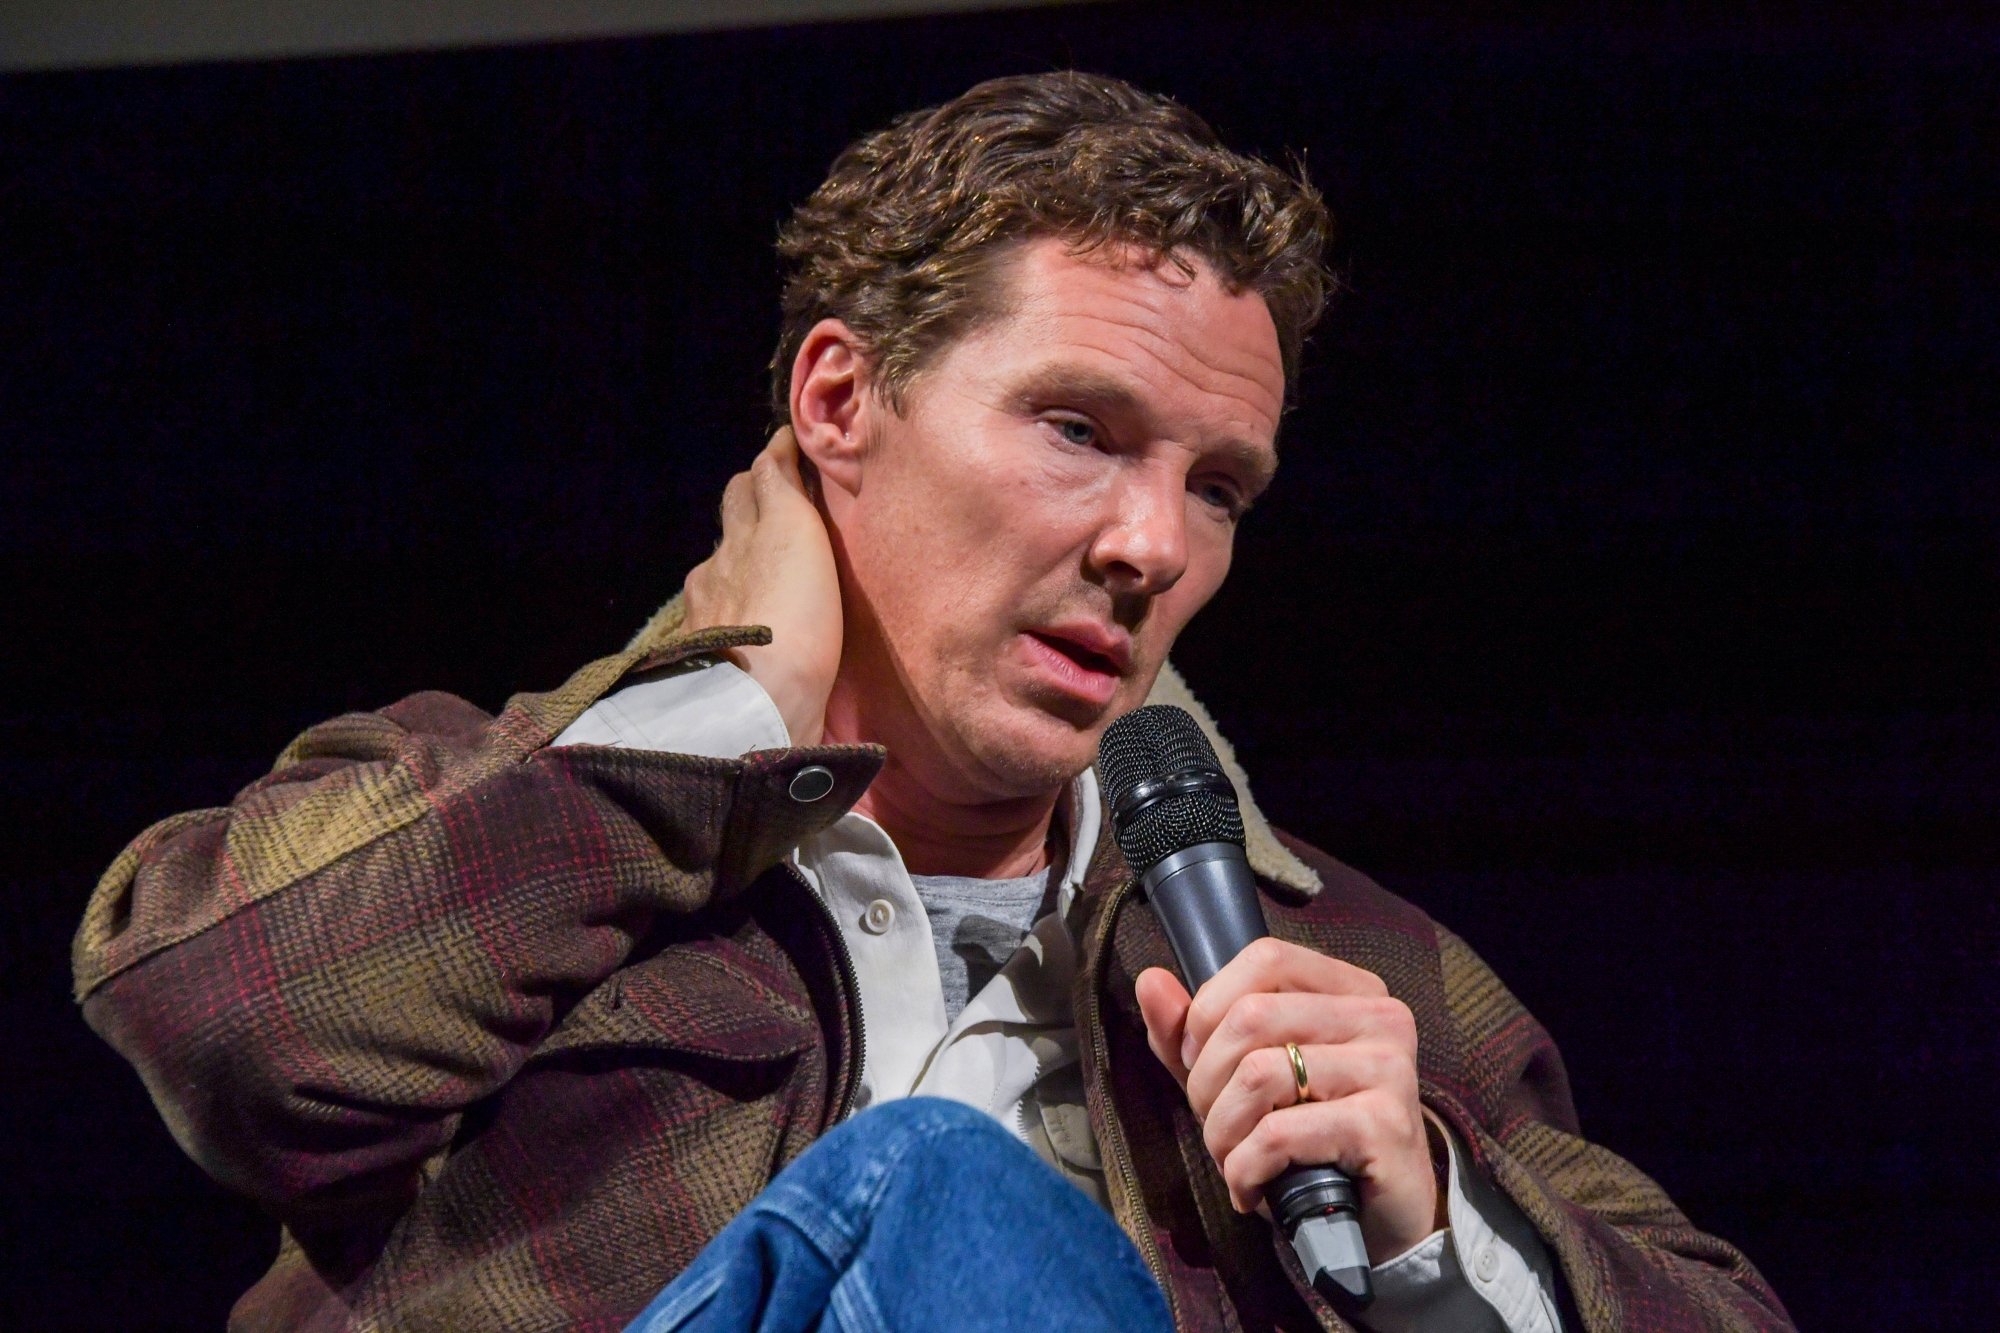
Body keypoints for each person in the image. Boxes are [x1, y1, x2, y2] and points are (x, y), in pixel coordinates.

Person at [73, 73, 1792, 1332]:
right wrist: (724, 713)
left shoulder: (1336, 967)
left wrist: (1431, 1236)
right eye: (1080, 429)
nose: (1151, 546)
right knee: (939, 1183)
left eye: (1218, 489)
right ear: (840, 398)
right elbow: (224, 1025)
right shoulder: (494, 811)